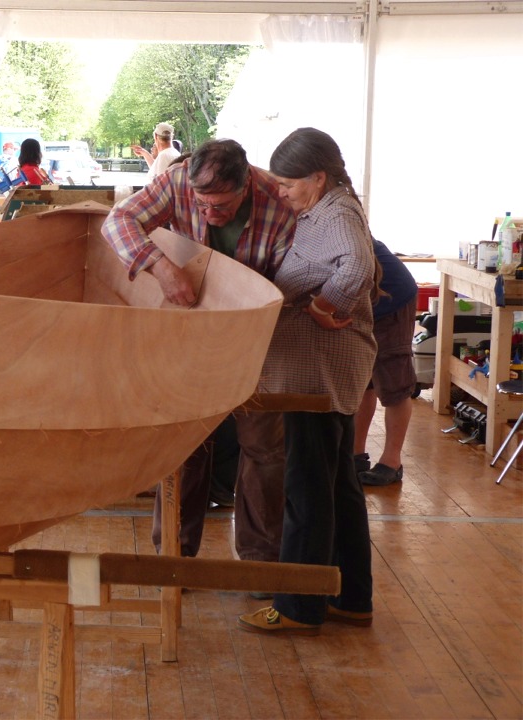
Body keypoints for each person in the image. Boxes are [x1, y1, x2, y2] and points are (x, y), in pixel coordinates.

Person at [102, 138, 295, 565]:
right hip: (191, 331)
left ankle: (261, 562)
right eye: (201, 204)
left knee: (264, 449)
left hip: (256, 337)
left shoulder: (279, 203)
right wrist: (161, 266)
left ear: (245, 188)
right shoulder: (175, 183)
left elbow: (289, 283)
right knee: (184, 445)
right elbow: (118, 222)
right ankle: (172, 555)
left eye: (220, 207)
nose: (208, 214)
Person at [238, 127, 377, 636]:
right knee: (337, 484)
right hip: (326, 371)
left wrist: (323, 306)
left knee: (308, 487)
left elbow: (358, 266)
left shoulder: (334, 212)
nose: (281, 191)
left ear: (317, 177)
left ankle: (299, 606)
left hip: (317, 373)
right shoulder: (330, 206)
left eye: (288, 183)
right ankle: (349, 597)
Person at [354, 243, 418, 486]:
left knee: (394, 385)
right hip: (366, 301)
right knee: (363, 381)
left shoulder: (335, 216)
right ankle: (355, 455)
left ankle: (392, 462)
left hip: (391, 298)